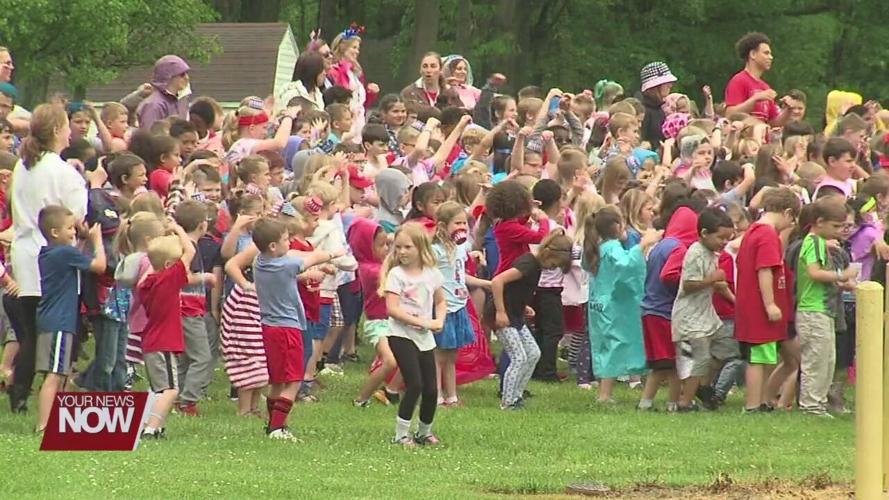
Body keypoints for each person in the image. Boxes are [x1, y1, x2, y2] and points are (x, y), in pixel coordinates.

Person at [227, 217, 343, 440]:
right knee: (293, 381)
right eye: (286, 240)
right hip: (287, 329)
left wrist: (307, 274)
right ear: (273, 246)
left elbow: (288, 274)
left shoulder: (260, 262)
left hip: (269, 328)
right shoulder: (286, 264)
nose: (289, 243)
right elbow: (314, 257)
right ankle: (277, 429)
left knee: (278, 381)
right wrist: (333, 254)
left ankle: (276, 424)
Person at [8, 104, 89, 413]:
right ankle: (48, 390)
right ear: (57, 130)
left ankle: (20, 391)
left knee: (29, 330)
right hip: (54, 258)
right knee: (53, 333)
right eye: (67, 125)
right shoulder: (61, 171)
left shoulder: (23, 165)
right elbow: (77, 216)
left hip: (25, 251)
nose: (71, 132)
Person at [35, 206, 105, 432]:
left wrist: (81, 236)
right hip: (60, 321)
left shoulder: (51, 253)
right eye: (69, 228)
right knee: (55, 374)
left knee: (60, 374)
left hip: (52, 319)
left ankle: (57, 420)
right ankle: (44, 425)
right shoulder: (65, 253)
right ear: (55, 232)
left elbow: (78, 255)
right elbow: (99, 266)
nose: (74, 232)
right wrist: (97, 240)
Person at [488, 231, 574, 410]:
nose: (553, 267)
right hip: (502, 315)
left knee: (533, 353)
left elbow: (516, 289)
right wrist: (501, 312)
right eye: (554, 264)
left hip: (516, 313)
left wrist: (523, 306)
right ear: (549, 254)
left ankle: (517, 395)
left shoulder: (537, 267)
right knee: (518, 357)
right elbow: (497, 282)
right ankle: (508, 401)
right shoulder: (528, 264)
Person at [585, 208, 662, 403]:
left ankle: (604, 392)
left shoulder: (598, 247)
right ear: (617, 226)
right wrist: (643, 245)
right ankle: (604, 394)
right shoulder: (612, 247)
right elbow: (626, 265)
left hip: (598, 303)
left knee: (605, 346)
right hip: (612, 305)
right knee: (613, 345)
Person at [735, 187, 800, 413]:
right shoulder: (767, 235)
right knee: (758, 357)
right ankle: (753, 404)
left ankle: (762, 401)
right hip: (758, 307)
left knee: (764, 355)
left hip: (752, 304)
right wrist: (770, 304)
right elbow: (764, 270)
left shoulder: (754, 231)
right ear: (788, 212)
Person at [381, 223, 446, 446]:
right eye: (397, 247)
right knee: (414, 384)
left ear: (420, 247)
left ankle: (424, 432)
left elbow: (440, 301)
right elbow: (392, 308)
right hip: (401, 335)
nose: (401, 252)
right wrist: (421, 322)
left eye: (407, 247)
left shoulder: (432, 274)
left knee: (431, 388)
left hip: (424, 337)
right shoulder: (396, 275)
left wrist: (440, 320)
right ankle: (401, 435)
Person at [796, 197, 858, 417]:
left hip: (824, 309)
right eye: (836, 226)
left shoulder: (823, 243)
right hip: (812, 309)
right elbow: (814, 273)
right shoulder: (812, 242)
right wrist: (843, 274)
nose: (839, 231)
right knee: (816, 359)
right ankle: (810, 405)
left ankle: (819, 403)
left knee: (827, 359)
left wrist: (845, 283)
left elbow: (825, 277)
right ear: (819, 221)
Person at [670, 208, 734, 411]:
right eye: (720, 237)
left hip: (706, 314)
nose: (724, 242)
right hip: (690, 316)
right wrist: (712, 279)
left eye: (728, 238)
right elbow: (689, 284)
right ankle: (684, 402)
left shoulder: (711, 253)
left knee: (722, 349)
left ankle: (702, 389)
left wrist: (735, 301)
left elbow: (718, 285)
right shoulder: (695, 253)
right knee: (697, 360)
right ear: (705, 233)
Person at [137, 224, 194, 439]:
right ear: (170, 264)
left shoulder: (146, 283)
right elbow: (191, 252)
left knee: (160, 389)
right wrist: (179, 229)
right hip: (164, 342)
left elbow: (155, 264)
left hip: (151, 341)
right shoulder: (168, 279)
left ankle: (156, 426)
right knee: (171, 390)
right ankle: (150, 428)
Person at [431, 202, 490, 405]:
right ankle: (436, 396)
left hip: (459, 305)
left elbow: (460, 275)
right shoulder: (435, 251)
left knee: (452, 354)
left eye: (464, 223)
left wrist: (484, 282)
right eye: (457, 223)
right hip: (442, 307)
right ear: (442, 226)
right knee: (439, 355)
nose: (463, 227)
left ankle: (452, 396)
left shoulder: (461, 248)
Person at [172, 201, 217, 416]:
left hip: (182, 307)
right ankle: (188, 400)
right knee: (202, 357)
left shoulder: (180, 243)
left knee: (185, 357)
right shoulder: (188, 246)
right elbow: (181, 276)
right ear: (202, 225)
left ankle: (176, 395)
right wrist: (204, 277)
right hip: (189, 308)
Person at [723, 33, 792, 127]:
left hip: (762, 140)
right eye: (766, 53)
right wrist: (755, 99)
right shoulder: (739, 80)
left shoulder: (765, 87)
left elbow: (773, 123)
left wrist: (788, 110)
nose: (771, 57)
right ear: (753, 54)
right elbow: (730, 115)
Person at [327, 26, 379, 142]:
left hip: (359, 121)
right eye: (354, 47)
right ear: (342, 47)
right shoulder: (334, 71)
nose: (357, 51)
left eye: (358, 48)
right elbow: (336, 98)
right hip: (344, 123)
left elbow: (362, 103)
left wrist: (371, 93)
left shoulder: (356, 73)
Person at [138, 55, 192, 130]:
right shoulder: (154, 105)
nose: (187, 78)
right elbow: (150, 136)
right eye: (182, 74)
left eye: (187, 73)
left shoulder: (179, 102)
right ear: (168, 76)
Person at [639, 61, 678, 148]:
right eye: (666, 83)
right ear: (655, 87)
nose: (670, 86)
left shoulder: (659, 109)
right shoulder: (643, 111)